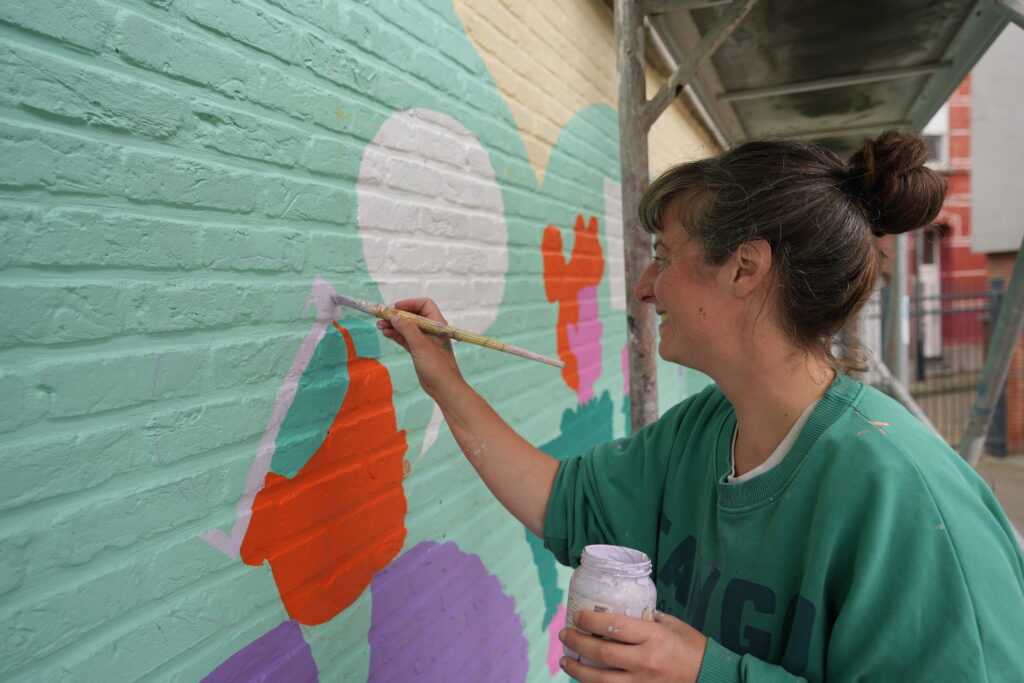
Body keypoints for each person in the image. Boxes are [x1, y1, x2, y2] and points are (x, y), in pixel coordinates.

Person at [377, 131, 1024, 682]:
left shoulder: (911, 502)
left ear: (744, 268)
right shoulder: (703, 431)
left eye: (663, 255)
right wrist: (445, 382)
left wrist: (705, 671)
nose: (645, 288)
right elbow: (563, 502)